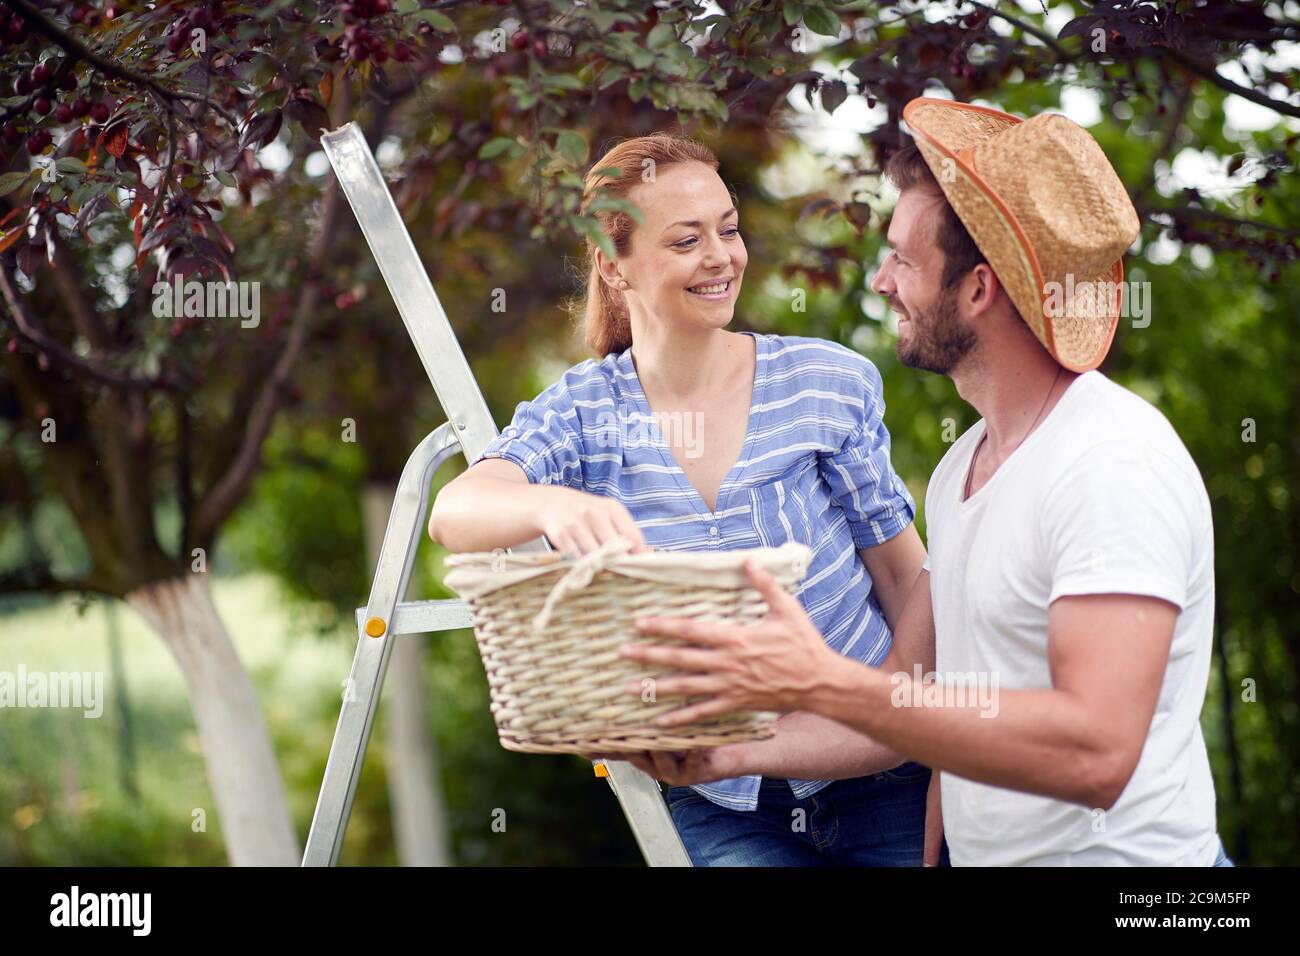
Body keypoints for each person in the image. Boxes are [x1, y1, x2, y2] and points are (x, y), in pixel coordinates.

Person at [620, 99, 1232, 867]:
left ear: (979, 289)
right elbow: (899, 705)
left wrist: (821, 680)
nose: (880, 282)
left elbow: (1096, 753)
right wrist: (723, 755)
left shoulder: (1109, 464)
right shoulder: (963, 470)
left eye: (903, 261)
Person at [429, 131, 939, 866]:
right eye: (685, 240)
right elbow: (456, 511)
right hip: (722, 801)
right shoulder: (583, 412)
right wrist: (550, 506)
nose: (721, 257)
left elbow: (901, 575)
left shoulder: (825, 383)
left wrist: (928, 729)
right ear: (614, 265)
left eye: (728, 230)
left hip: (880, 768)